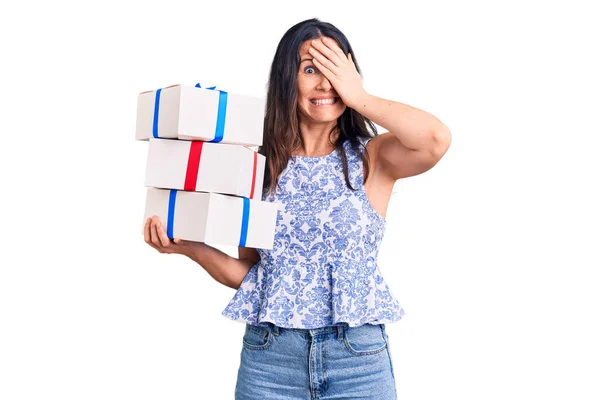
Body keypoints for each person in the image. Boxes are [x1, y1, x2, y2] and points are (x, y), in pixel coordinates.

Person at [144, 17, 451, 400]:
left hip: (358, 361)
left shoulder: (374, 158)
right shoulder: (257, 166)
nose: (326, 84)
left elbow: (435, 140)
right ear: (288, 79)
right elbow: (253, 276)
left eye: (336, 69)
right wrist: (189, 247)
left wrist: (360, 96)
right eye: (310, 70)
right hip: (271, 362)